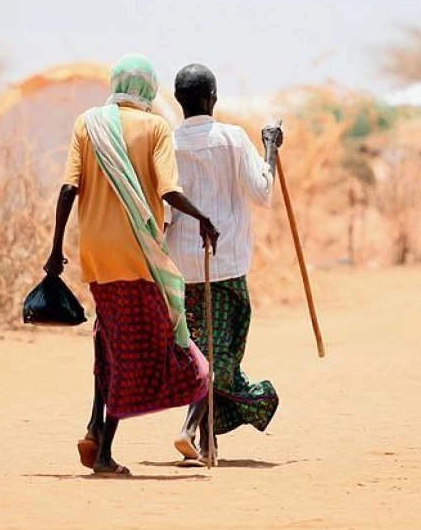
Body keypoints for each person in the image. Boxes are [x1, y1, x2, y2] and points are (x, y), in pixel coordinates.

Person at [44, 54, 216, 476]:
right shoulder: (156, 126)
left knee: (109, 340)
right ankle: (103, 452)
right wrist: (203, 219)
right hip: (138, 257)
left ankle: (94, 429)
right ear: (147, 90)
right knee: (140, 351)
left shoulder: (89, 123)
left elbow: (69, 188)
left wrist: (54, 252)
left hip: (97, 258)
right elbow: (169, 191)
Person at [167, 64, 283, 463]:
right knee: (223, 353)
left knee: (200, 350)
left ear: (180, 100)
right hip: (228, 264)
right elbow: (263, 191)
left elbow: (162, 207)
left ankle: (207, 440)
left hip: (182, 265)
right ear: (211, 97)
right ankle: (191, 428)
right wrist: (271, 147)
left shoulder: (166, 142)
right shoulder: (233, 138)